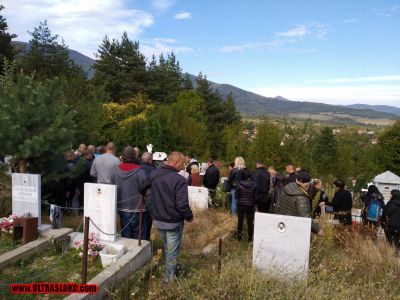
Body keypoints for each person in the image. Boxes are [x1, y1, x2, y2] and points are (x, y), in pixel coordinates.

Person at [149, 151, 193, 283]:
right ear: (177, 162)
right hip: (173, 221)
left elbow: (142, 187)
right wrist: (189, 217)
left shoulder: (154, 174)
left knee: (169, 247)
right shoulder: (179, 180)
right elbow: (182, 204)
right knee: (172, 251)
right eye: (182, 164)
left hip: (158, 219)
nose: (183, 166)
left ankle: (174, 269)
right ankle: (168, 281)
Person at [113, 146, 151, 240]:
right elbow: (147, 189)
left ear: (123, 156)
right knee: (139, 236)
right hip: (138, 208)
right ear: (135, 157)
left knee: (126, 235)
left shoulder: (115, 170)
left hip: (122, 207)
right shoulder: (140, 171)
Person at [237, 172, 257, 242]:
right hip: (250, 205)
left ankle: (239, 237)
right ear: (250, 177)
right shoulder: (254, 184)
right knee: (250, 222)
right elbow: (255, 196)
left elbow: (237, 195)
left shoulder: (239, 184)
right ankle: (250, 238)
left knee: (240, 221)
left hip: (241, 205)